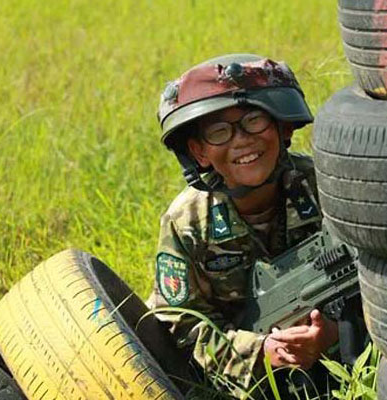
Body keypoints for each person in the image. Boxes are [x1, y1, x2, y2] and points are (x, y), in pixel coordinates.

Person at [146, 54, 345, 399]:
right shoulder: (187, 223)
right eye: (219, 132)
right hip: (238, 380)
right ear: (199, 152)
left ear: (282, 127)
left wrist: (334, 333)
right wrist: (261, 352)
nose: (241, 140)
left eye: (254, 120)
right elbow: (179, 322)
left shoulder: (324, 186)